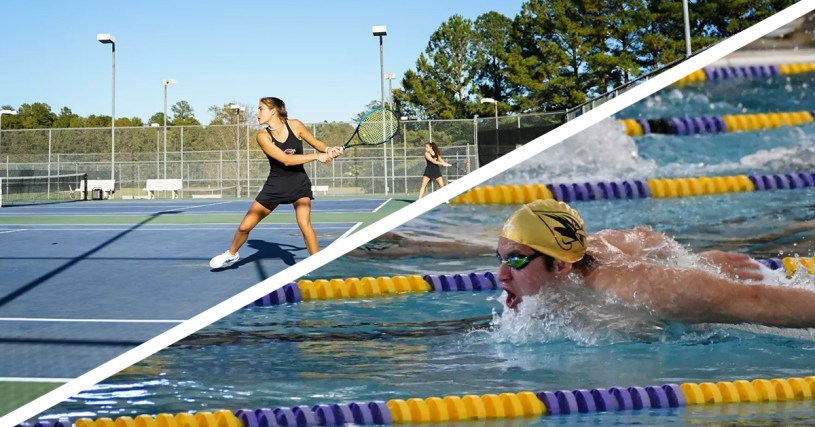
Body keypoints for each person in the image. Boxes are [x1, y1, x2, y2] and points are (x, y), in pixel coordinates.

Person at [497, 198, 815, 328]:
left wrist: (690, 269)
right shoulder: (589, 249)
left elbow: (758, 301)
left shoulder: (639, 289)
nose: (501, 276)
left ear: (563, 266)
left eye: (516, 260)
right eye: (500, 259)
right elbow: (643, 236)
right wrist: (692, 260)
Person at [209, 97, 341, 269]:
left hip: (299, 183)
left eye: (260, 109)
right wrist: (317, 156)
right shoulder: (262, 136)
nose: (257, 114)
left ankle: (318, 265)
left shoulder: (296, 125)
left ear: (273, 111)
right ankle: (232, 254)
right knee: (244, 227)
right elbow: (286, 159)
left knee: (304, 224)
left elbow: (318, 144)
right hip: (275, 186)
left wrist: (328, 150)